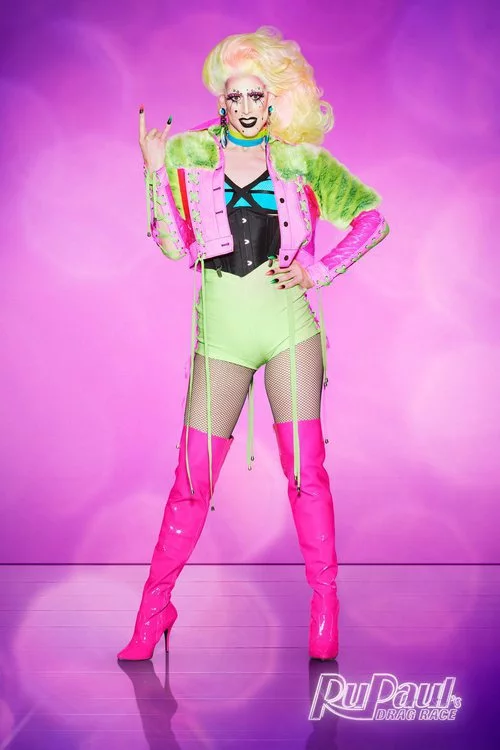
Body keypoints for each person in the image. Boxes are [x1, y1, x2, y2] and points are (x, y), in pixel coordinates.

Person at [117, 26, 389, 663]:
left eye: (257, 95)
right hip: (222, 338)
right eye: (234, 94)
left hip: (290, 330)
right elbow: (173, 246)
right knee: (192, 482)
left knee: (306, 473)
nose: (244, 106)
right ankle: (154, 611)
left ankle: (325, 609)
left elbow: (373, 218)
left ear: (275, 101)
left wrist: (320, 270)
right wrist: (153, 172)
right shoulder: (191, 156)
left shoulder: (302, 162)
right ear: (221, 100)